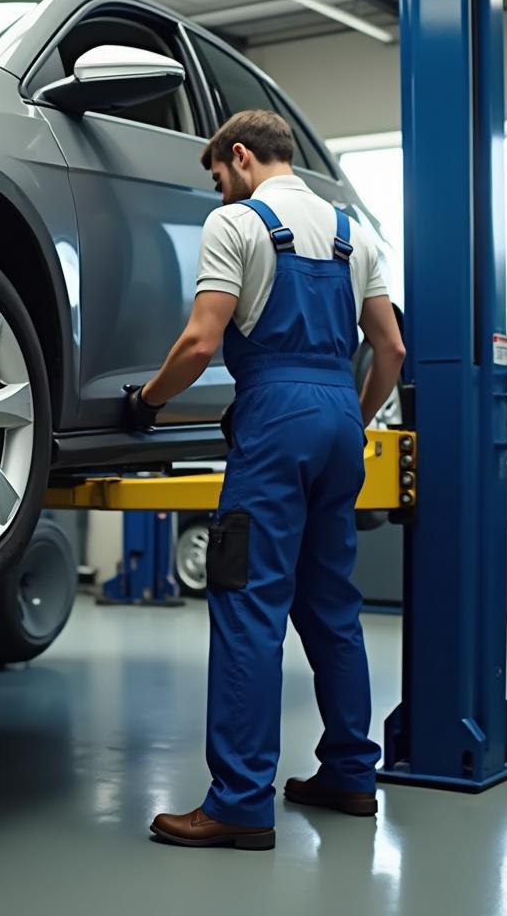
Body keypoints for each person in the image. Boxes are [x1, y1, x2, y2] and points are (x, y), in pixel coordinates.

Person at [124, 109, 406, 852]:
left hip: (275, 420)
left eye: (218, 177)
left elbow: (200, 340)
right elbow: (391, 348)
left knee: (247, 605)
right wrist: (352, 414)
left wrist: (147, 402)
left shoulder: (238, 226)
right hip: (343, 419)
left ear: (240, 157)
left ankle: (241, 803)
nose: (220, 193)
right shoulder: (354, 233)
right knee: (331, 606)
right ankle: (350, 774)